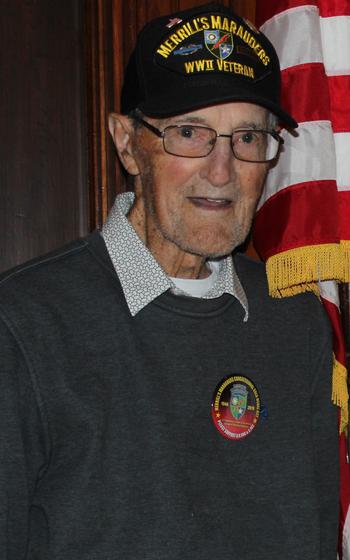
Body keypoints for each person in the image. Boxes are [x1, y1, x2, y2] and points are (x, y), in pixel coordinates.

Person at [0, 3, 339, 559]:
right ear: (127, 142)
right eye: (189, 132)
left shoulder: (293, 318)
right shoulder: (23, 326)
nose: (221, 171)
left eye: (248, 139)